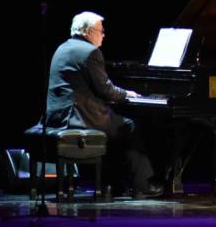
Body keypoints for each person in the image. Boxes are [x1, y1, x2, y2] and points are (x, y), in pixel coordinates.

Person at [43, 11, 163, 198]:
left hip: (58, 116)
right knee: (128, 126)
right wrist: (127, 94)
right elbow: (105, 90)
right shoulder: (90, 52)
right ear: (88, 31)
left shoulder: (63, 48)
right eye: (101, 31)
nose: (104, 35)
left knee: (116, 125)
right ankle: (141, 185)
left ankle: (116, 184)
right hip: (79, 118)